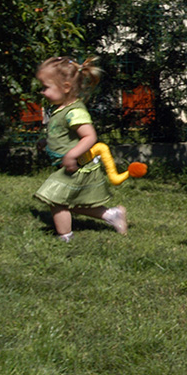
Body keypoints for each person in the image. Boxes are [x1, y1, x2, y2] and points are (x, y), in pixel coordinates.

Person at [33, 56, 127, 242]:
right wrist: (47, 142)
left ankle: (65, 237)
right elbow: (63, 134)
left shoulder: (74, 111)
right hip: (72, 166)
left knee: (56, 199)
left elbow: (89, 136)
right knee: (72, 203)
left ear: (66, 87)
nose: (42, 92)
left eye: (46, 87)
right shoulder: (61, 109)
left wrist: (72, 154)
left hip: (79, 166)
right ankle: (112, 214)